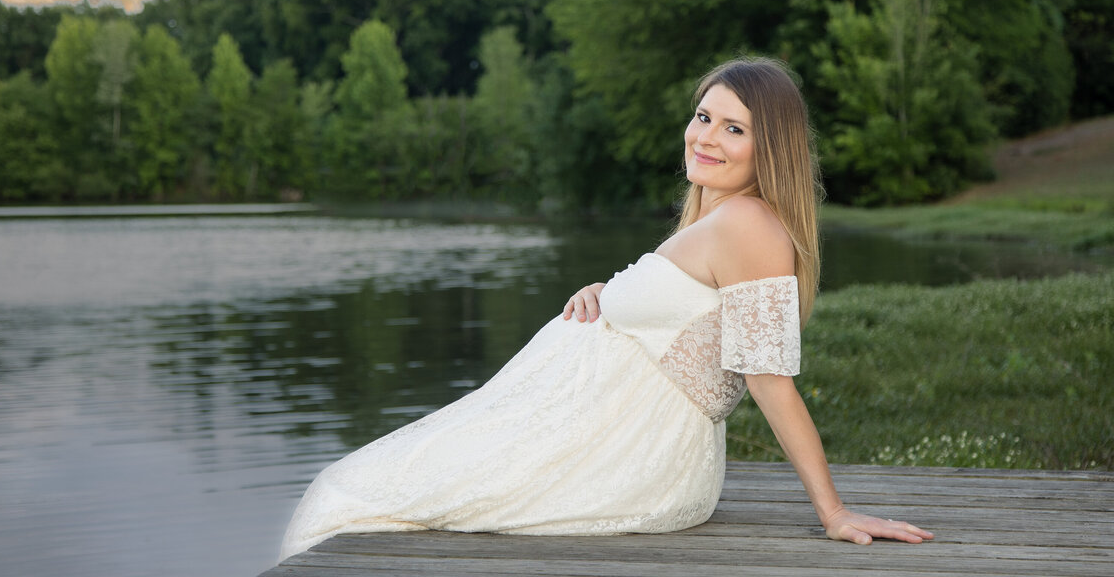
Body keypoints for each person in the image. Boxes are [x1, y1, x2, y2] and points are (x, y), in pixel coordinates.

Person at [280, 57, 933, 560]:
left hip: (625, 455)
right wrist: (609, 294)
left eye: (734, 128)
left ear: (770, 150)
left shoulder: (750, 227)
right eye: (704, 116)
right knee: (353, 488)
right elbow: (683, 311)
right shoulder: (717, 216)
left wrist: (833, 512)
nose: (706, 136)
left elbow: (768, 380)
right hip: (584, 433)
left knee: (346, 496)